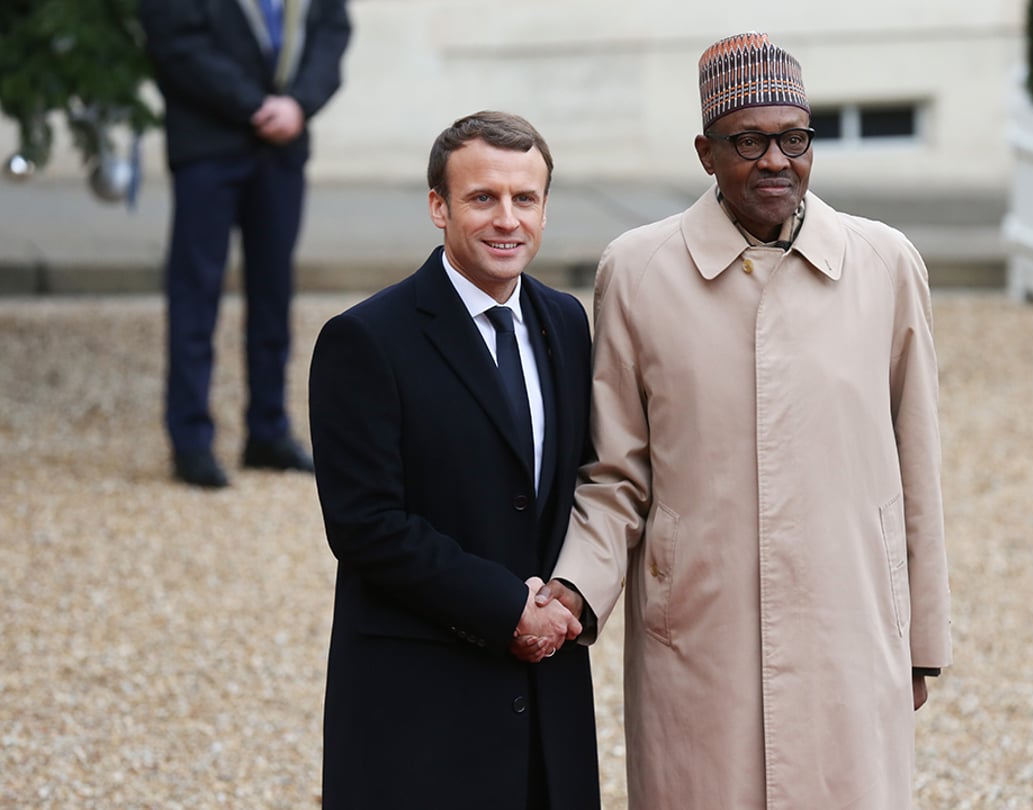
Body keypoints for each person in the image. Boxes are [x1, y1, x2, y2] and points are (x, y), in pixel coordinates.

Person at [542, 32, 952, 809]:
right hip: (697, 632)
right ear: (705, 152)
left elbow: (916, 467)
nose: (775, 161)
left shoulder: (885, 263)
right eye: (748, 141)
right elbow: (616, 476)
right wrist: (573, 591)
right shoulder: (636, 271)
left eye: (794, 138)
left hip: (850, 627)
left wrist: (921, 641)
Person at [308, 111, 600, 809]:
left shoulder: (566, 321)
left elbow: (584, 481)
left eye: (524, 198)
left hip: (548, 702)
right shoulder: (365, 340)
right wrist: (508, 609)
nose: (507, 219)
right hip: (421, 702)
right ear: (438, 207)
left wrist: (572, 595)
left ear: (544, 208)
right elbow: (366, 524)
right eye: (482, 198)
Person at [139, 0, 351, 487]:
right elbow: (176, 44)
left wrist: (299, 104)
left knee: (274, 294)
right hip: (208, 147)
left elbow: (330, 33)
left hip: (282, 149)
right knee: (196, 294)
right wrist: (254, 106)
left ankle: (268, 432)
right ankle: (191, 440)